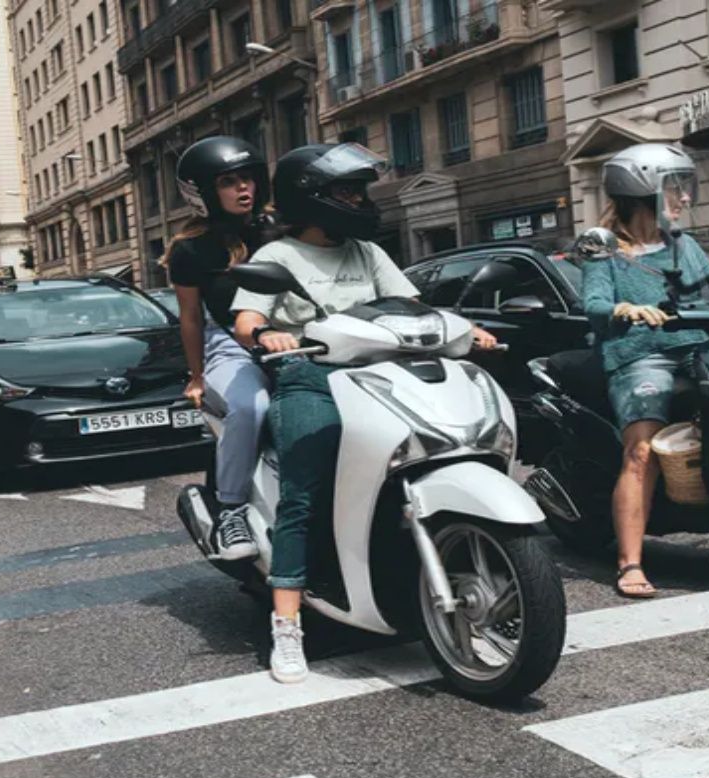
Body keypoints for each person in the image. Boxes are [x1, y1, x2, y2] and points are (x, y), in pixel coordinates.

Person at [232, 143, 496, 683]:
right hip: (311, 375)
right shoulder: (277, 258)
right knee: (305, 492)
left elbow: (411, 307)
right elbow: (245, 320)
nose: (358, 200)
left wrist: (465, 328)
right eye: (346, 191)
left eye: (359, 190)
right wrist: (268, 333)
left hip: (383, 373)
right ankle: (287, 626)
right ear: (310, 198)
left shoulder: (367, 253)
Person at [164, 136, 278, 561]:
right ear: (204, 193)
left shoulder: (278, 229)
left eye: (247, 178)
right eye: (229, 182)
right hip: (228, 344)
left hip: (290, 337)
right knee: (252, 407)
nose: (243, 188)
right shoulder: (189, 250)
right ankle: (230, 509)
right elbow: (191, 317)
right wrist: (196, 377)